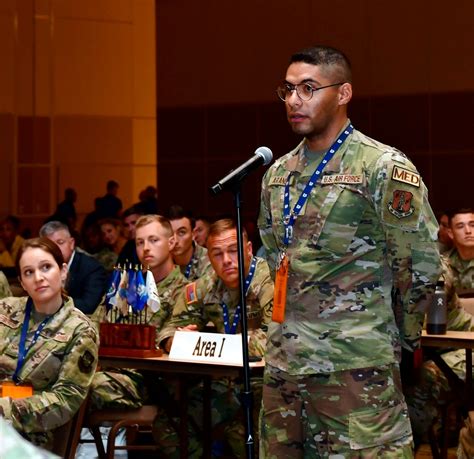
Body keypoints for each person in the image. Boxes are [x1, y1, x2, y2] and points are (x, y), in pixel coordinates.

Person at [257, 45, 441, 457]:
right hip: (285, 366)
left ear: (343, 94)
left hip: (356, 367)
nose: (293, 101)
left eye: (308, 88)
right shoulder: (276, 176)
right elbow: (273, 256)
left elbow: (420, 265)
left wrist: (402, 340)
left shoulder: (381, 168)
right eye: (287, 90)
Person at [157, 218, 274, 457]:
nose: (227, 260)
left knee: (247, 430)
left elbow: (277, 337)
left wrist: (219, 346)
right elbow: (169, 329)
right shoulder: (204, 286)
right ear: (208, 256)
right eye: (217, 254)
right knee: (169, 424)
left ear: (249, 250)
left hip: (264, 382)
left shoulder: (268, 280)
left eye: (234, 251)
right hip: (223, 384)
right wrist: (176, 341)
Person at [0, 237, 99, 449]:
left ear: (63, 272)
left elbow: (66, 400)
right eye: (29, 272)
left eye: (46, 267)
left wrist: (5, 411)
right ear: (22, 282)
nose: (38, 278)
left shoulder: (80, 330)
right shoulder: (4, 310)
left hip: (32, 434)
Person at [90, 214, 188, 409]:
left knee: (80, 388)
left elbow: (169, 342)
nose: (146, 248)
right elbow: (94, 326)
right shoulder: (126, 285)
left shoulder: (185, 291)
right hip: (107, 369)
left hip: (148, 381)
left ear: (171, 243)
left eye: (153, 240)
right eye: (139, 242)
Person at [407, 208, 474, 445]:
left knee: (421, 381)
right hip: (433, 349)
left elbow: (416, 313)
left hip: (464, 348)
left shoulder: (435, 265)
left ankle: (409, 447)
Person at [39, 221, 107, 315]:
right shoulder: (40, 268)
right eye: (50, 245)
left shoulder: (91, 268)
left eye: (60, 242)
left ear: (71, 243)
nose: (55, 248)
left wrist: (54, 304)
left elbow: (88, 305)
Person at [167, 205, 211, 281]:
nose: (175, 240)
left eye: (181, 232)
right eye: (170, 233)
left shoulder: (209, 260)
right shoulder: (162, 260)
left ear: (193, 234)